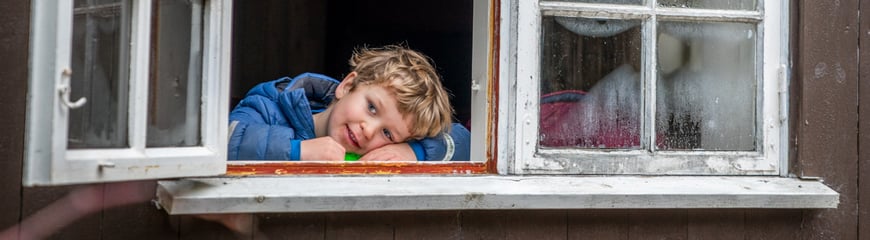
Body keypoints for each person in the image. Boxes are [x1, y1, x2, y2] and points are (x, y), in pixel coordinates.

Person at [228, 45, 469, 161]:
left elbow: (466, 141)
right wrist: (298, 151)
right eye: (372, 108)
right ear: (347, 86)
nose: (369, 129)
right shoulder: (272, 105)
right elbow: (226, 139)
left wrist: (413, 151)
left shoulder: (365, 155)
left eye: (387, 133)